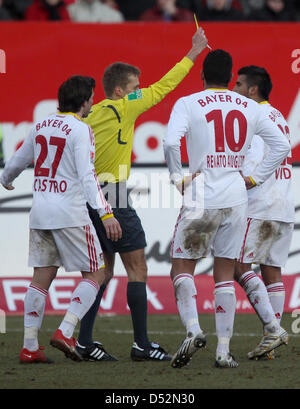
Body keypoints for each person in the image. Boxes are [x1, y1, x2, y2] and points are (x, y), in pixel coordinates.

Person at [75, 28, 209, 362]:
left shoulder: (87, 118)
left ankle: (83, 341)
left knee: (101, 272)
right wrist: (193, 54)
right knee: (137, 269)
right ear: (120, 91)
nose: (140, 92)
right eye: (135, 87)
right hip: (113, 195)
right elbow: (165, 86)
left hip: (86, 197)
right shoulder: (126, 107)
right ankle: (141, 344)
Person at [163, 49, 290, 369]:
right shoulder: (250, 106)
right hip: (236, 196)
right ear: (229, 75)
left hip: (202, 192)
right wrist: (255, 178)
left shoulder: (188, 103)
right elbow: (282, 146)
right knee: (224, 274)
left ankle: (193, 330)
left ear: (202, 75)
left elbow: (168, 143)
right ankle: (223, 351)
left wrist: (178, 178)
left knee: (181, 267)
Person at [0, 75, 122, 364]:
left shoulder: (41, 124)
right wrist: (106, 213)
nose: (93, 101)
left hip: (40, 212)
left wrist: (5, 179)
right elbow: (87, 175)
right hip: (70, 211)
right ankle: (66, 330)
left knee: (41, 278)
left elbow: (18, 159)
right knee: (97, 272)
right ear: (84, 101)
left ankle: (30, 346)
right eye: (91, 97)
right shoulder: (81, 129)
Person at [233, 66, 293, 359]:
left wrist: (249, 180)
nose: (234, 88)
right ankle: (271, 340)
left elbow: (254, 160)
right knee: (272, 270)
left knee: (238, 267)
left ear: (252, 90)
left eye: (239, 83)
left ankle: (272, 328)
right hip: (283, 204)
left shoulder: (253, 116)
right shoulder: (279, 116)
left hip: (260, 204)